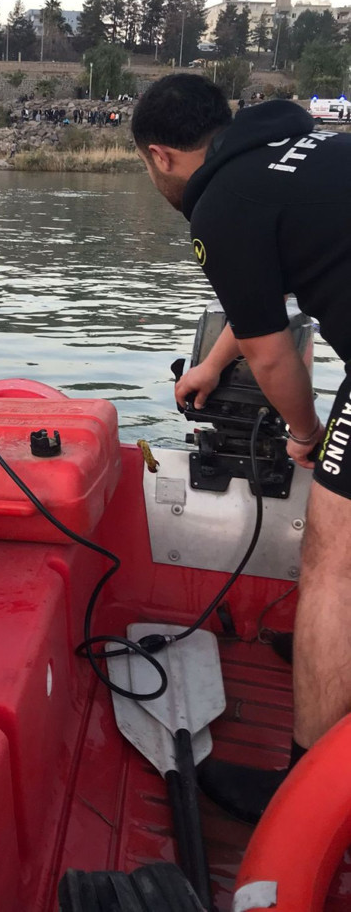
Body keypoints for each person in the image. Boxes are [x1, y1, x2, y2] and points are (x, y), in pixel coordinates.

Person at [132, 72, 351, 824]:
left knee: (334, 560)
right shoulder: (296, 147)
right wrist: (212, 362)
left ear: (160, 155)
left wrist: (308, 434)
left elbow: (275, 356)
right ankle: (338, 664)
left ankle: (303, 793)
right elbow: (266, 299)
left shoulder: (221, 203)